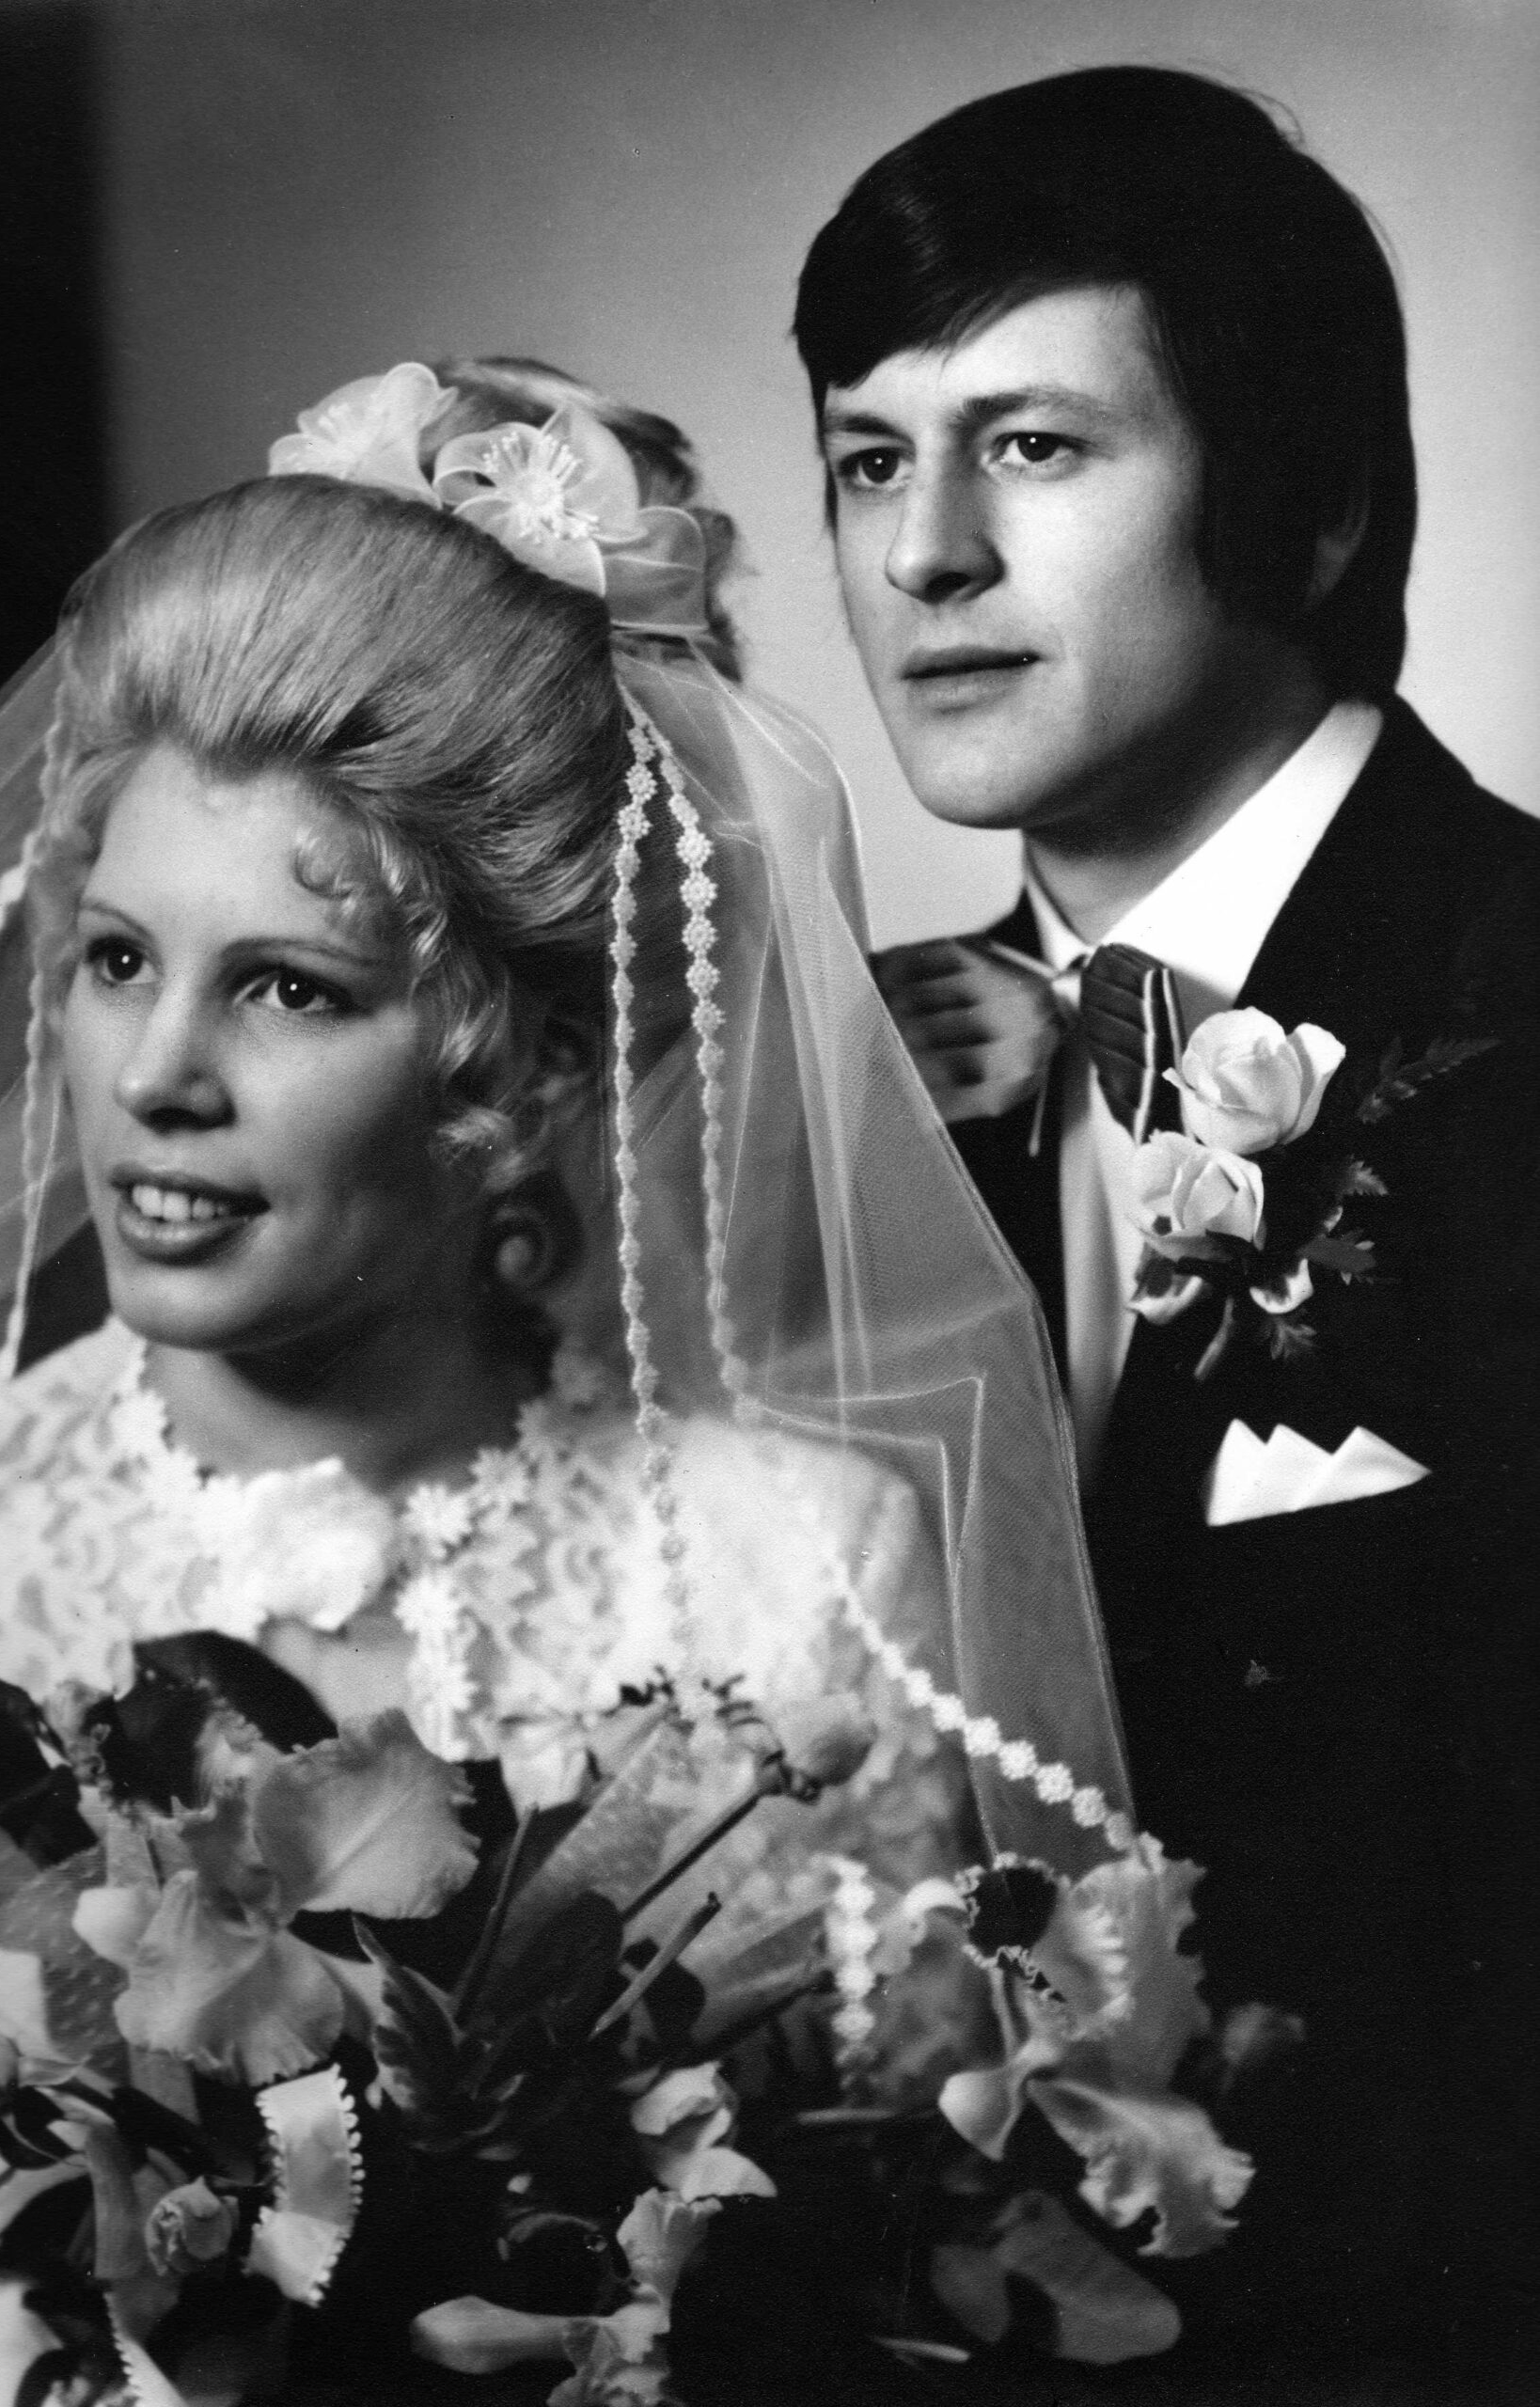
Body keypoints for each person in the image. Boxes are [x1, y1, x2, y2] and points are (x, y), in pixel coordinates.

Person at [0, 362, 1158, 2400]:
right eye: (116, 958)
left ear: (524, 1070)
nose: (155, 1074)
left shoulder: (805, 1570)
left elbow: (892, 2275)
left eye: (287, 986)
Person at [795, 63, 1540, 2389]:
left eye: (1033, 445)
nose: (923, 557)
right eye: (868, 460)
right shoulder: (843, 1093)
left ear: (1313, 506)